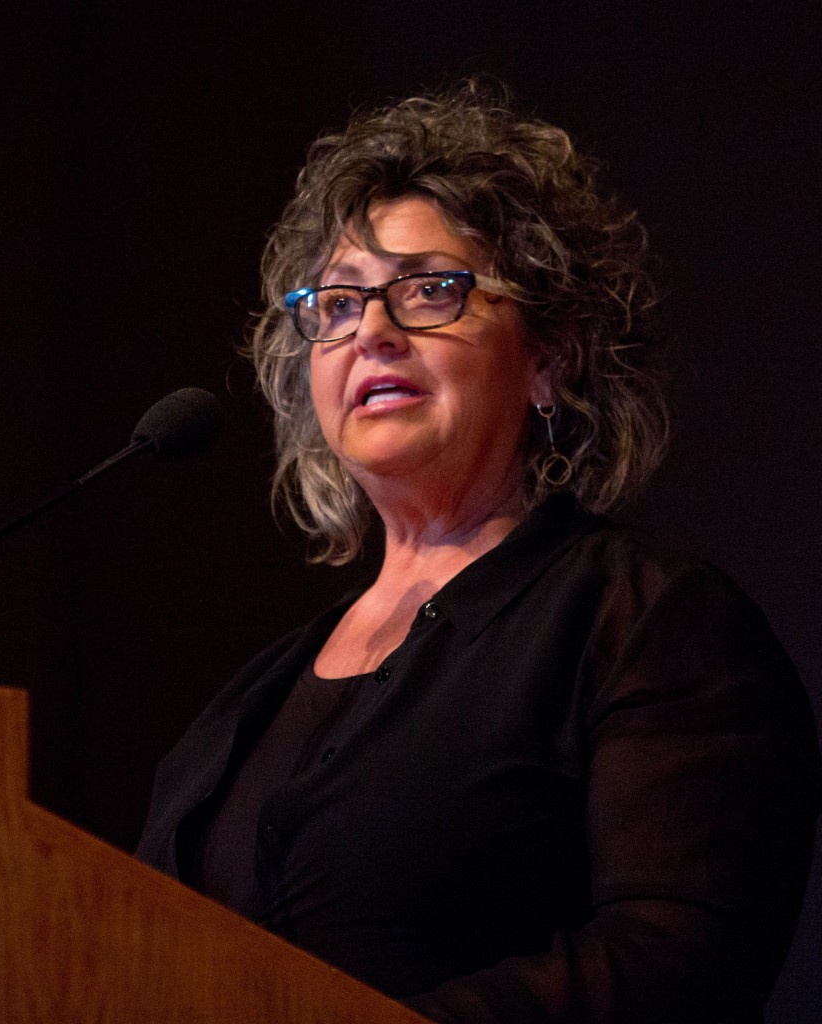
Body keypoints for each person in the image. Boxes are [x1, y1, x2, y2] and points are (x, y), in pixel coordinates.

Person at [136, 81, 821, 1023]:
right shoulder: (254, 698)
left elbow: (672, 965)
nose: (371, 330)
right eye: (337, 304)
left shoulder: (647, 622)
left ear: (551, 354)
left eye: (428, 290)